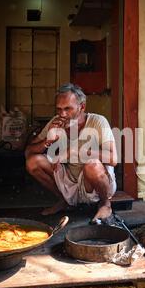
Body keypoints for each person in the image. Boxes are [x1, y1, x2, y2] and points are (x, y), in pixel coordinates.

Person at [25, 83, 117, 222]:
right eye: (59, 109)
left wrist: (77, 150)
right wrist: (48, 141)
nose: (62, 114)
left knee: (91, 164)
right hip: (69, 178)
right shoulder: (55, 123)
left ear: (82, 107)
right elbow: (28, 152)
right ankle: (64, 200)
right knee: (33, 162)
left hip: (93, 181)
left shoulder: (98, 121)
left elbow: (113, 159)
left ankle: (105, 204)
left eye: (68, 108)